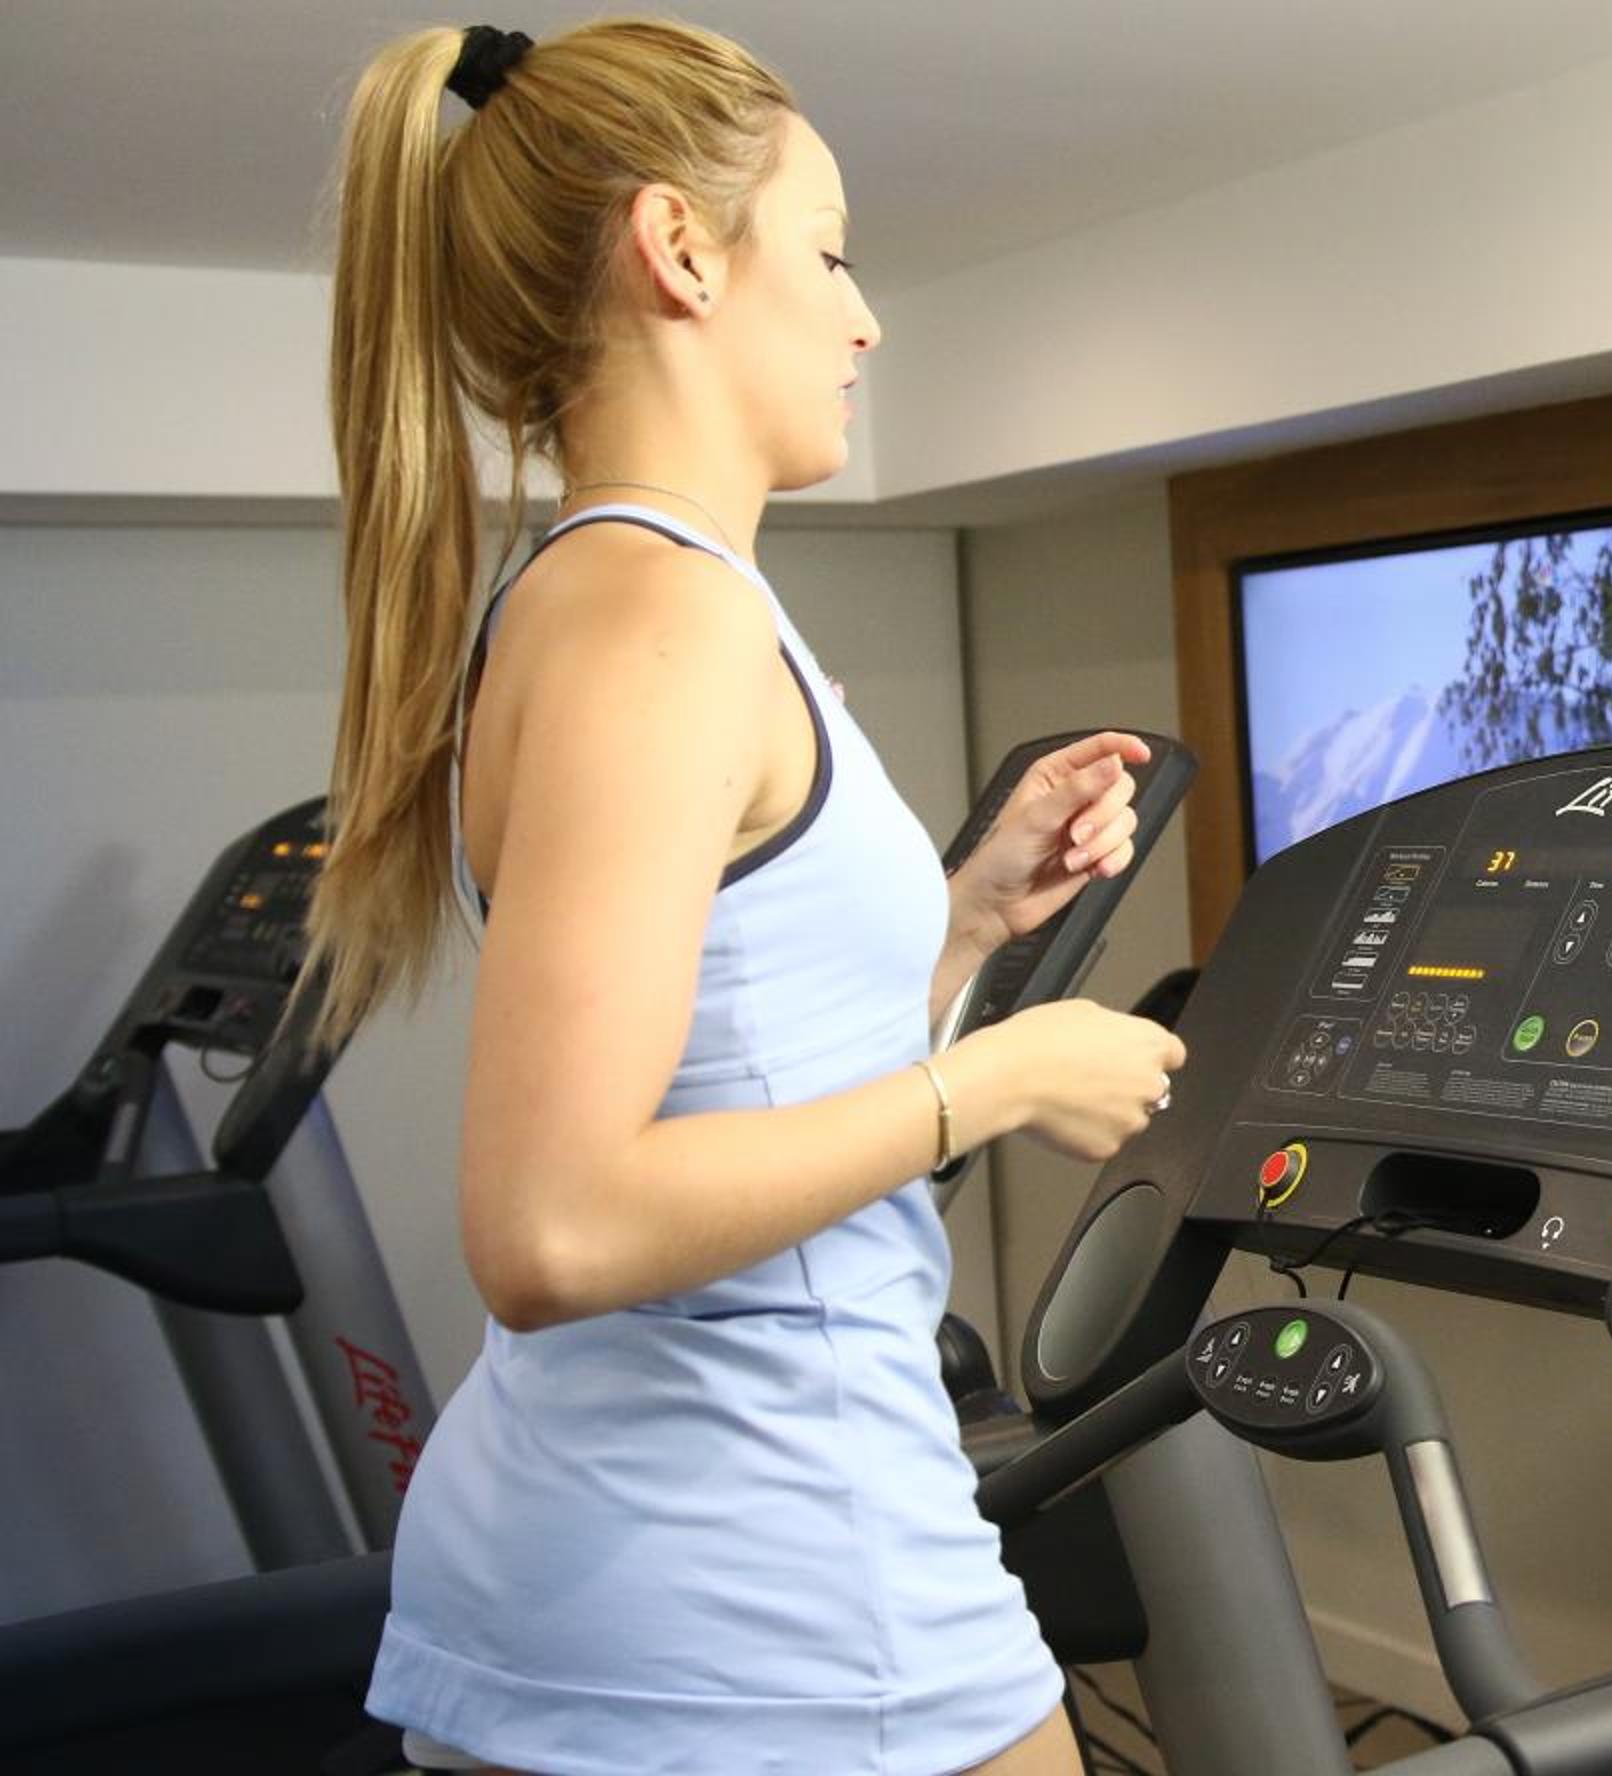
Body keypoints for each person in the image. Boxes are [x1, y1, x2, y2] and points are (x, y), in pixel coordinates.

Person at [309, 19, 1181, 1774]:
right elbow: (554, 1230)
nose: (866, 321)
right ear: (682, 250)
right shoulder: (665, 621)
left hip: (625, 1573)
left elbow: (730, 1067)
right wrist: (997, 1078)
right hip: (764, 1589)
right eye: (832, 252)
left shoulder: (607, 593)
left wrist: (961, 923)